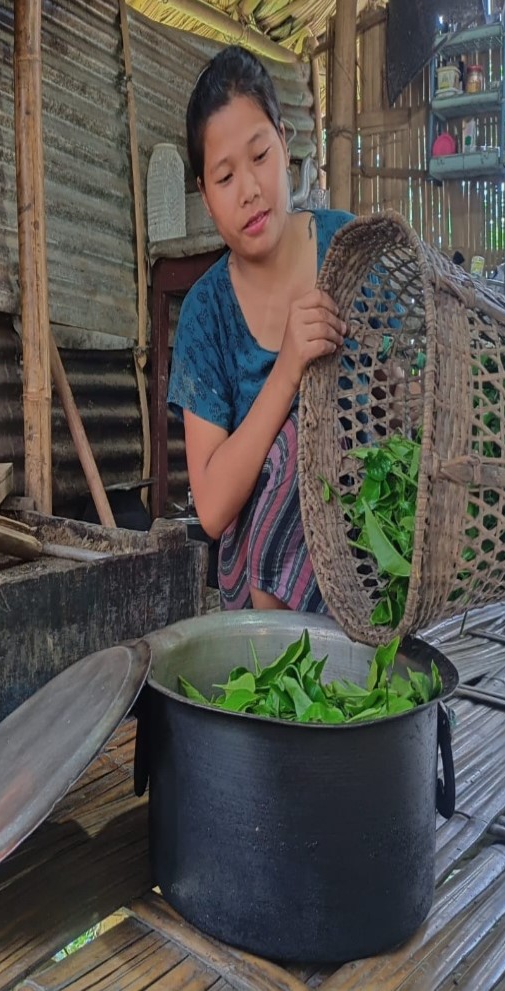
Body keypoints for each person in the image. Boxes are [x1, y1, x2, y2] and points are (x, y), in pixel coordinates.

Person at [167, 45, 355, 612]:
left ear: (284, 142)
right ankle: (285, 680)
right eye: (225, 177)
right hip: (260, 605)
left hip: (362, 561)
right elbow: (214, 508)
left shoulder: (348, 254)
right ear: (205, 195)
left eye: (259, 157)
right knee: (288, 447)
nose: (248, 189)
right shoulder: (206, 316)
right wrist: (289, 369)